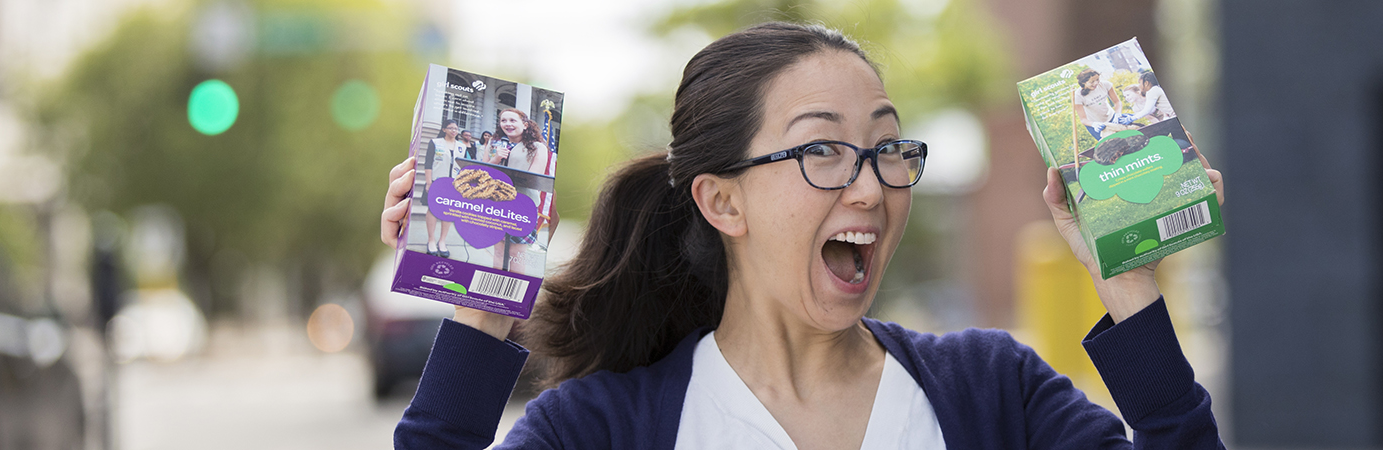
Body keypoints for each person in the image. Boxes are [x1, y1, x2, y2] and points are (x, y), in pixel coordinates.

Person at [380, 22, 1226, 449]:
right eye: (822, 148)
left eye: (887, 146)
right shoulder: (604, 427)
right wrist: (481, 293)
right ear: (722, 201)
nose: (869, 183)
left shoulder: (992, 392)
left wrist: (1130, 283)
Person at [485, 107, 554, 273]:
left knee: (516, 254)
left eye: (512, 120)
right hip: (497, 204)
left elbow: (533, 178)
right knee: (499, 251)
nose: (507, 124)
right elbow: (483, 172)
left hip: (522, 206)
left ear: (525, 125)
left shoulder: (538, 147)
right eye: (503, 120)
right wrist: (496, 159)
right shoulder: (493, 144)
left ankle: (513, 291)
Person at [425, 120, 469, 258]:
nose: (453, 131)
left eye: (456, 128)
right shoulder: (435, 142)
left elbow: (464, 166)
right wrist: (428, 182)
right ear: (444, 129)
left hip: (454, 184)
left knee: (448, 212)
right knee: (432, 209)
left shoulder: (462, 146)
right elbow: (428, 162)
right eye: (450, 128)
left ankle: (442, 241)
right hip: (436, 181)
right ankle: (431, 240)